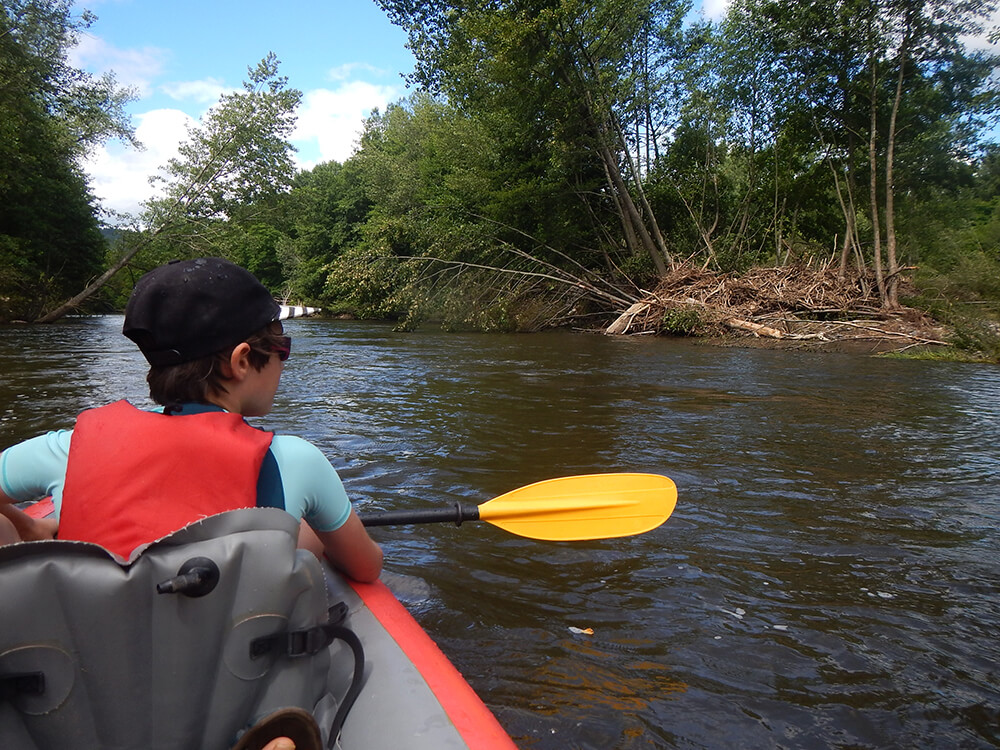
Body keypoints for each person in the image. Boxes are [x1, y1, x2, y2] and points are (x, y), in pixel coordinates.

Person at [0, 257, 382, 583]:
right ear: (242, 361)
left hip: (95, 646)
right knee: (305, 536)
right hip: (236, 650)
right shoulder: (296, 460)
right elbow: (366, 568)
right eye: (283, 348)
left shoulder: (68, 449)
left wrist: (29, 528)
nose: (284, 362)